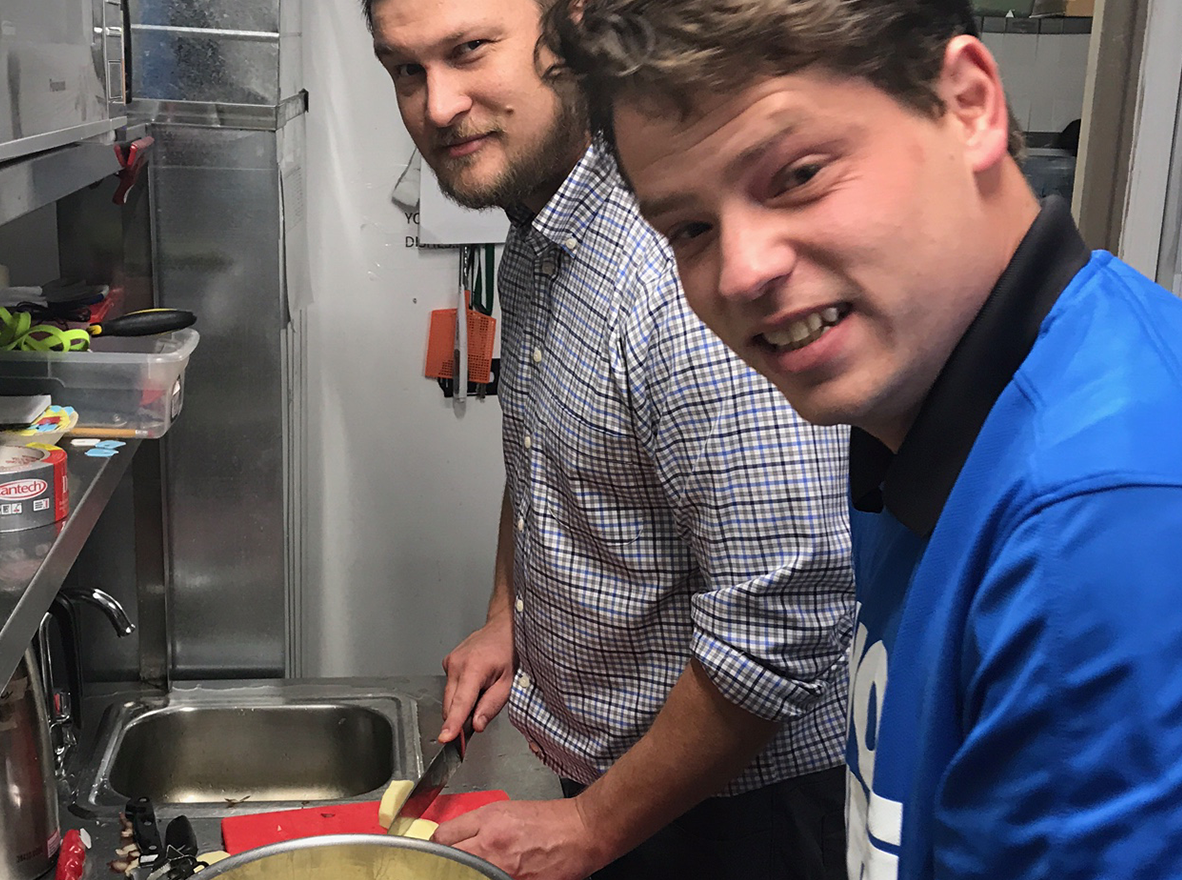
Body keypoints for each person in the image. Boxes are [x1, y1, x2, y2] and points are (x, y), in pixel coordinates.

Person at [549, 1, 1182, 877]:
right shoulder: (925, 415)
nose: (742, 271)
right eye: (690, 229)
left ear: (968, 104)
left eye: (799, 173)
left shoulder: (1093, 531)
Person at [364, 1, 857, 878]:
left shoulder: (676, 265)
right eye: (406, 69)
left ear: (573, 26)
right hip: (614, 787)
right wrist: (504, 619)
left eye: (470, 50)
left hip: (734, 818)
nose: (437, 105)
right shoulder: (537, 229)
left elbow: (783, 619)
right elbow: (542, 457)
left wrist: (594, 824)